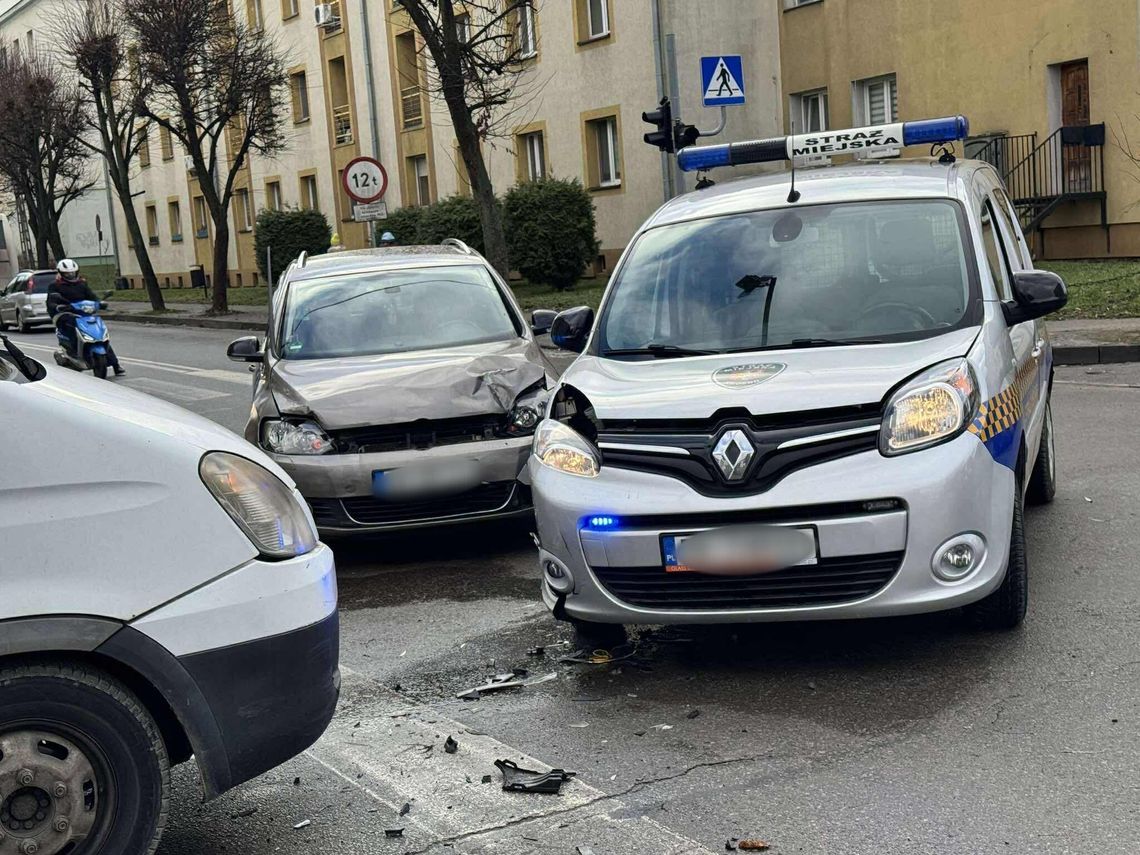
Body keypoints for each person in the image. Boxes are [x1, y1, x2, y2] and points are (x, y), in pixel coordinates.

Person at [46, 259, 125, 376]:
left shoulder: (81, 284)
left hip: (83, 313)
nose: (71, 275)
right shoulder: (55, 286)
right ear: (61, 273)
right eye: (67, 274)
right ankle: (73, 352)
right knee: (70, 324)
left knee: (99, 333)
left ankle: (115, 364)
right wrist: (57, 306)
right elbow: (51, 301)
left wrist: (100, 302)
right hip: (64, 314)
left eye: (73, 273)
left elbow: (91, 296)